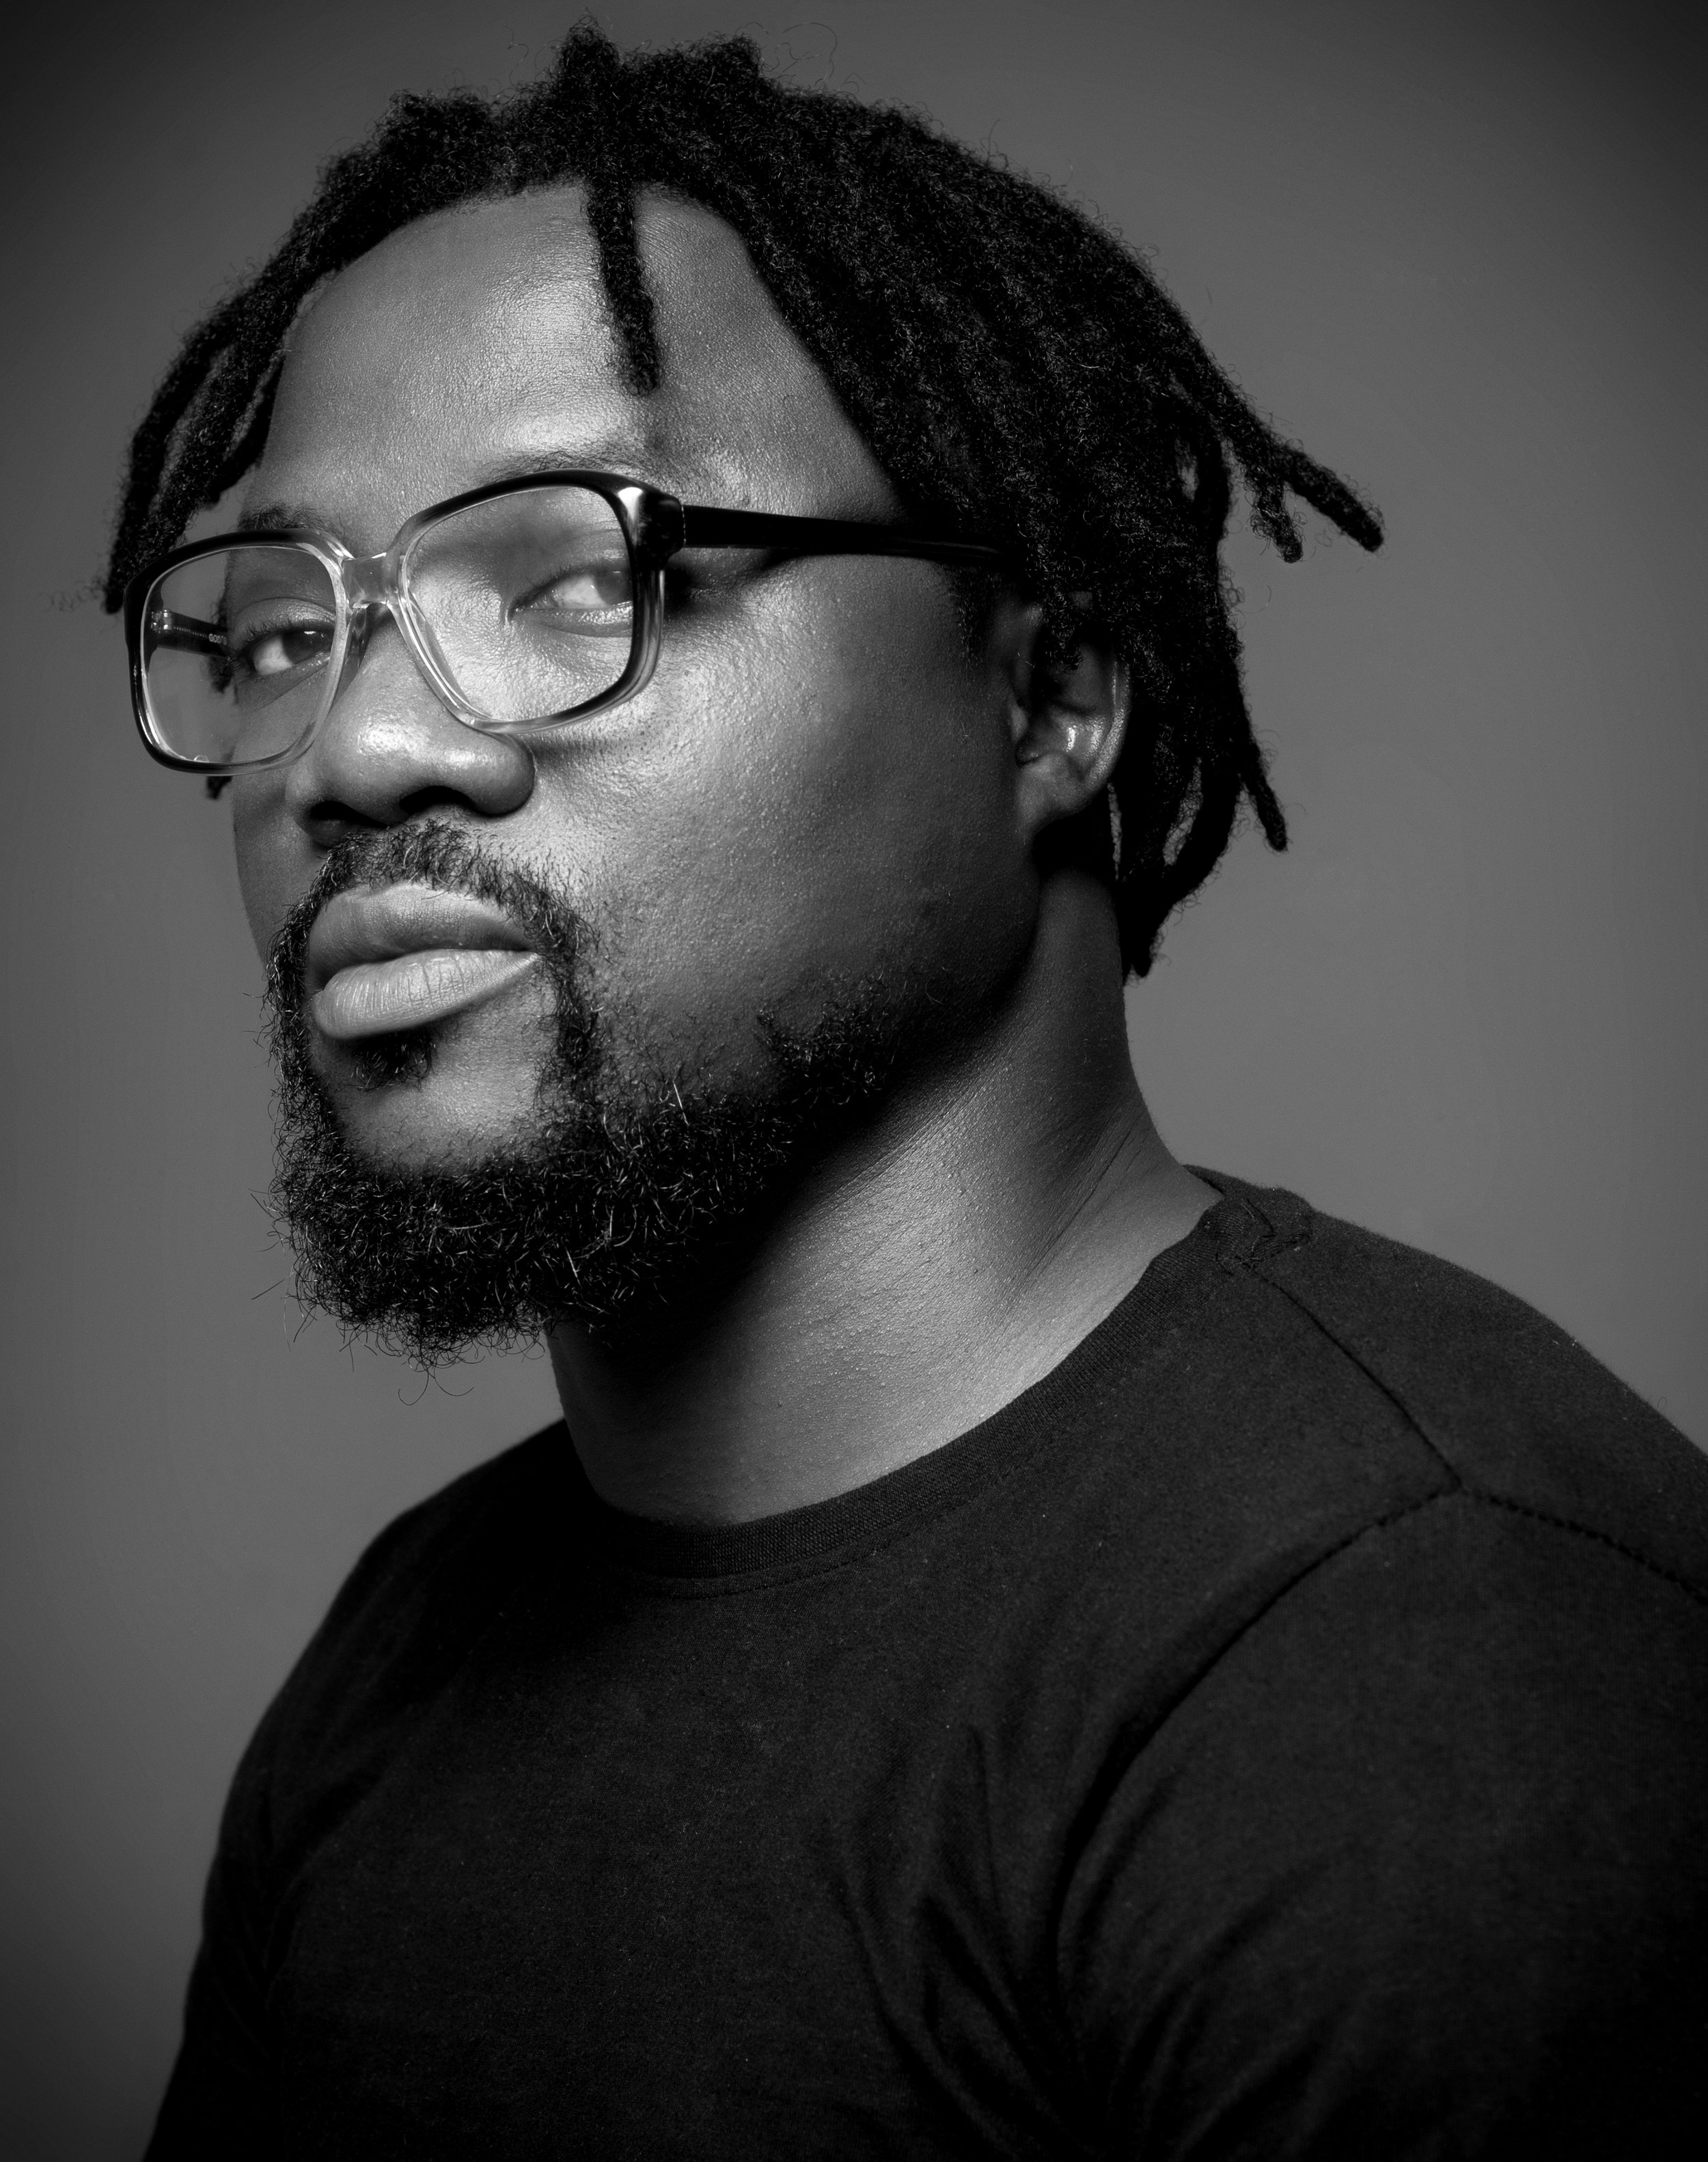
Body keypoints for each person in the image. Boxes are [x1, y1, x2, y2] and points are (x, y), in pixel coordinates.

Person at [110, 24, 1707, 2159]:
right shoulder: (400, 1666)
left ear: (1049, 689)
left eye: (582, 574)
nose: (351, 751)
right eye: (281, 628)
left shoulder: (1415, 1655)